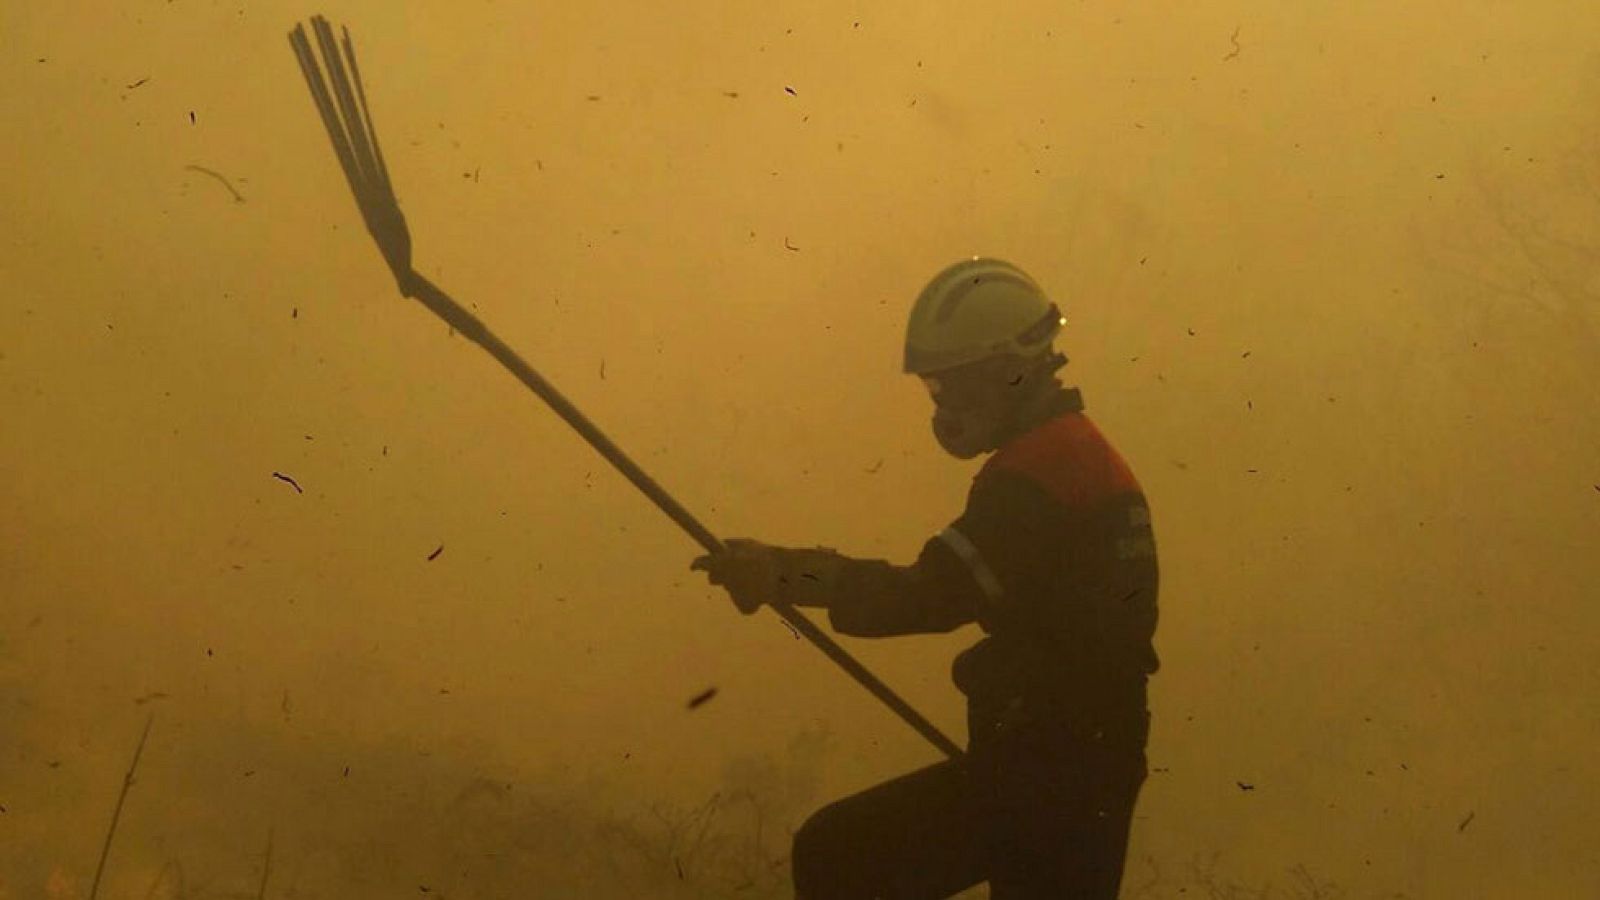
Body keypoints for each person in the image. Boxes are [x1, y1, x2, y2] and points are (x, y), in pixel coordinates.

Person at [691, 257, 1160, 899]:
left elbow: (924, 595)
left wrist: (783, 572)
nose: (946, 408)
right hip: (1083, 769)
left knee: (840, 856)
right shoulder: (1082, 454)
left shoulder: (1037, 476)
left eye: (957, 388)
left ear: (1010, 369)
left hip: (1049, 771)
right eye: (938, 391)